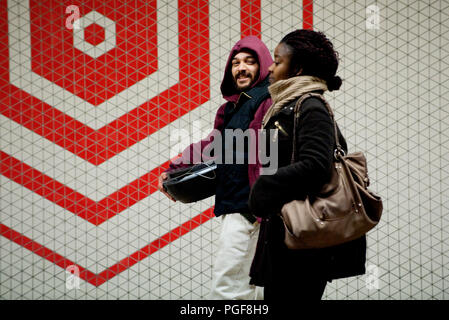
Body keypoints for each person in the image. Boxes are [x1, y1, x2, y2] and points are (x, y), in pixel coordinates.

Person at [248, 29, 367, 301]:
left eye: (278, 61)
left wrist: (265, 186)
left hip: (305, 242)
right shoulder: (286, 107)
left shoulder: (310, 106)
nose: (271, 67)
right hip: (288, 233)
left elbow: (316, 166)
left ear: (297, 68)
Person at [158, 36, 273, 299]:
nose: (241, 68)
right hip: (236, 205)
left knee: (228, 288)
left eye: (249, 62)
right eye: (235, 63)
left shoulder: (266, 101)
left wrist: (263, 210)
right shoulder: (230, 109)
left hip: (252, 210)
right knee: (247, 289)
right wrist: (175, 167)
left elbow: (269, 156)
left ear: (263, 65)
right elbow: (213, 145)